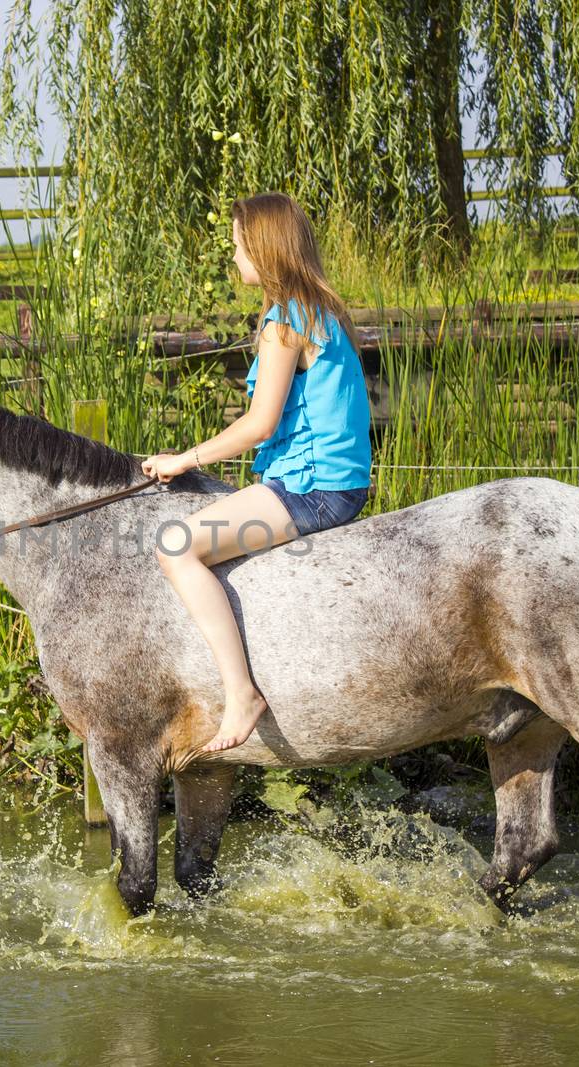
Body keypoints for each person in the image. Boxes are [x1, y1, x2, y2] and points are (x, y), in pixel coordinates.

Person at [140, 191, 373, 754]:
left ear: (264, 250)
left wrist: (183, 459)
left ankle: (240, 693)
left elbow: (260, 424)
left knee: (176, 546)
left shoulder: (283, 322)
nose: (234, 256)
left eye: (239, 245)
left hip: (312, 491)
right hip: (333, 482)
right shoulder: (319, 310)